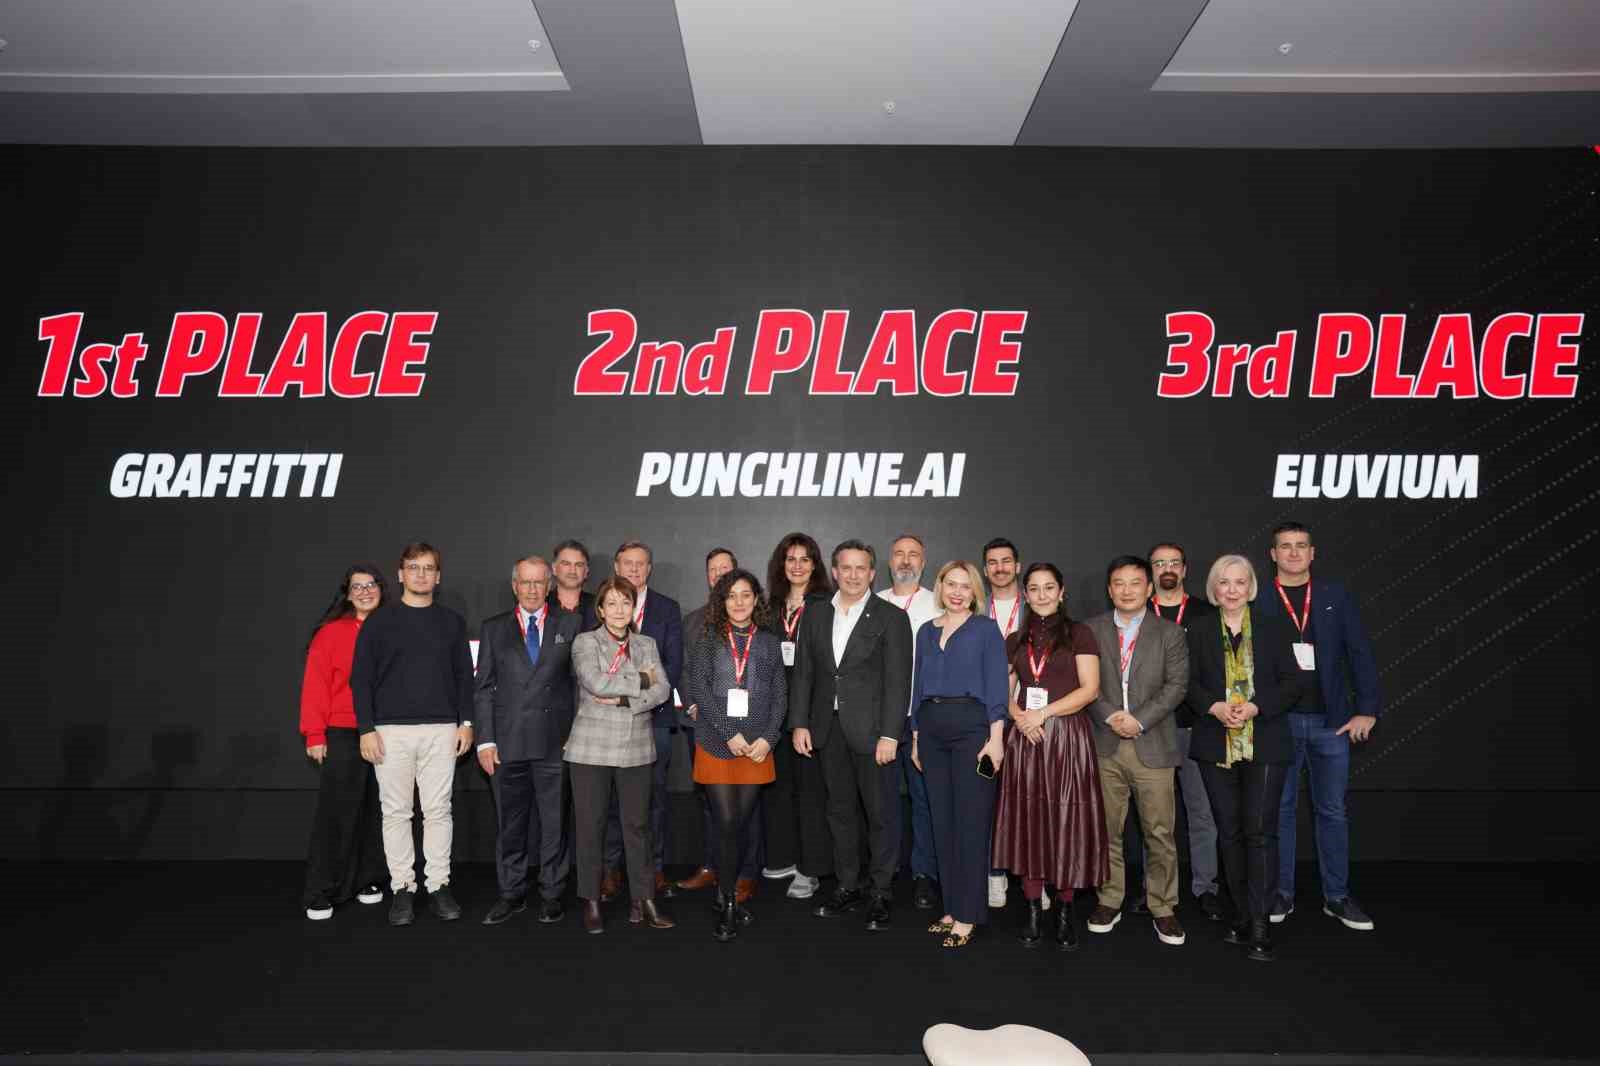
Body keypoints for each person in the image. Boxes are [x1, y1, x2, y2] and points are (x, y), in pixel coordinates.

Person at [1256, 521, 1380, 931]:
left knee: (1332, 810)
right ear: (1273, 555)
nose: (1293, 553)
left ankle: (1337, 897)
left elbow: (1359, 652)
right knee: (1280, 811)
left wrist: (1367, 709)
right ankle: (1282, 893)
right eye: (1285, 546)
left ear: (1312, 553)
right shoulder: (1258, 598)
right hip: (1278, 723)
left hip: (1332, 722)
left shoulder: (1334, 596)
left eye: (1301, 546)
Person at [790, 539, 913, 932]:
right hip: (827, 730)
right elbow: (805, 672)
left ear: (873, 573)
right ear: (834, 571)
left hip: (874, 734)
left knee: (880, 815)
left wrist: (891, 735)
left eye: (861, 568)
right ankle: (847, 885)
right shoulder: (815, 614)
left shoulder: (892, 617)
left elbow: (898, 682)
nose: (854, 575)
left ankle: (881, 892)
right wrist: (800, 722)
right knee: (839, 812)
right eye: (846, 567)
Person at [1187, 554, 1303, 961]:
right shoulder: (1198, 629)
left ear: (1250, 587)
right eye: (1224, 582)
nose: (1232, 590)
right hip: (1214, 741)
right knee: (1229, 832)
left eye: (1239, 582)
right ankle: (1239, 914)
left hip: (1265, 740)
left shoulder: (1274, 626)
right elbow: (1186, 683)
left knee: (1260, 832)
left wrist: (1255, 706)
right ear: (1214, 588)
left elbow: (1294, 682)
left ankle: (1259, 920)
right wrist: (1215, 707)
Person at [352, 542, 474, 926]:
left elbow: (464, 678)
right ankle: (403, 888)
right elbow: (361, 680)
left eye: (428, 568)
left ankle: (438, 885)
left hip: (442, 729)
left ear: (438, 577)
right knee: (396, 813)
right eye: (414, 567)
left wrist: (466, 723)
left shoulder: (452, 623)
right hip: (390, 732)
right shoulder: (378, 622)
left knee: (438, 811)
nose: (421, 574)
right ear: (401, 574)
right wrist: (366, 729)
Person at [991, 562, 1106, 950]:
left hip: (1066, 738)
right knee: (1030, 822)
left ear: (1062, 591)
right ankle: (1032, 910)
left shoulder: (1079, 633)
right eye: (1035, 588)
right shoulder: (1014, 639)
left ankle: (1064, 910)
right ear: (1026, 594)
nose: (1042, 595)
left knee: (1066, 822)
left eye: (1049, 587)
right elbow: (1002, 690)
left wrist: (1042, 714)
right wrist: (1020, 717)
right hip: (1026, 739)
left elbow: (1090, 689)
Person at [1083, 555, 1190, 947]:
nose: (1126, 590)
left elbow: (1177, 686)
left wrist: (1138, 720)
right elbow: (1084, 683)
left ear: (1148, 588)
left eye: (1135, 583)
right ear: (1109, 589)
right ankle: (1109, 899)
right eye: (1119, 583)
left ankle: (1163, 906)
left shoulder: (1169, 633)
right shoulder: (1090, 630)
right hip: (1105, 743)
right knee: (1106, 830)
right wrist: (1111, 716)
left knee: (1160, 833)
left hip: (1153, 743)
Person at [474, 555, 585, 926]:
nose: (533, 589)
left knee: (555, 824)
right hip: (506, 745)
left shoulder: (571, 624)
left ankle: (552, 893)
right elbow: (483, 688)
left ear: (549, 586)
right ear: (514, 586)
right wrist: (485, 741)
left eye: (539, 582)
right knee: (510, 824)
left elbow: (579, 685)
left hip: (556, 743)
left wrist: (575, 736)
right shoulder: (493, 628)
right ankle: (512, 892)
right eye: (526, 582)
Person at [683, 568, 788, 941]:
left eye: (746, 595)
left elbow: (780, 695)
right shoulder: (708, 638)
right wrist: (730, 735)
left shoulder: (770, 642)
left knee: (740, 825)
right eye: (731, 596)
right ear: (721, 601)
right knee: (726, 822)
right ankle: (728, 899)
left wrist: (770, 738)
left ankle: (726, 893)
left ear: (756, 599)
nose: (739, 602)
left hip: (757, 749)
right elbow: (700, 690)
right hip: (717, 744)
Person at [566, 576, 676, 933]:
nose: (618, 610)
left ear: (634, 607)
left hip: (636, 746)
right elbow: (595, 683)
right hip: (591, 748)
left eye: (625, 603)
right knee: (591, 826)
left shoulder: (646, 643)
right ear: (600, 609)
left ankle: (644, 900)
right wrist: (641, 680)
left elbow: (663, 689)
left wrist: (626, 698)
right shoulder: (585, 642)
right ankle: (591, 900)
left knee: (638, 827)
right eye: (611, 603)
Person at [908, 561, 1008, 948]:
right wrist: (917, 737)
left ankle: (968, 914)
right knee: (942, 822)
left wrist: (996, 739)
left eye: (965, 586)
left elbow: (997, 685)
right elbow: (917, 687)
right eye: (951, 584)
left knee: (970, 822)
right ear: (940, 586)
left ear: (974, 592)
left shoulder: (985, 629)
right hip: (931, 731)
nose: (957, 592)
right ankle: (951, 908)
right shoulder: (925, 631)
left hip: (973, 730)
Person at [299, 563, 389, 920]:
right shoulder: (330, 634)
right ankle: (321, 889)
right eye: (357, 587)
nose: (365, 592)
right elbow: (315, 685)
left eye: (371, 585)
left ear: (382, 589)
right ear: (348, 594)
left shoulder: (393, 627)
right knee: (337, 813)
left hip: (387, 732)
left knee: (377, 810)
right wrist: (315, 733)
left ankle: (369, 879)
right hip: (342, 732)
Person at [678, 548, 765, 904]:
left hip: (752, 734)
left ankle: (745, 874)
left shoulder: (761, 631)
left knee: (746, 811)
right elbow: (684, 670)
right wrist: (695, 705)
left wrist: (763, 732)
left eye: (724, 569)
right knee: (712, 806)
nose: (718, 575)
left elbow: (772, 685)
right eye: (712, 570)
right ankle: (714, 866)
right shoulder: (694, 622)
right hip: (707, 727)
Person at [603, 541, 684, 903]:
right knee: (610, 799)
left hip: (655, 719)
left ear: (649, 568)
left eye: (641, 564)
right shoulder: (601, 606)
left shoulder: (667, 608)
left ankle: (654, 867)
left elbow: (671, 666)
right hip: (608, 721)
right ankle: (611, 869)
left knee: (653, 799)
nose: (634, 570)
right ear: (616, 567)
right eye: (627, 563)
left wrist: (632, 697)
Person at [1146, 541, 1223, 922]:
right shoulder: (1139, 612)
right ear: (1151, 571)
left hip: (1196, 727)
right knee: (1151, 819)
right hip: (1150, 730)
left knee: (1202, 813)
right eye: (1160, 563)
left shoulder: (1206, 614)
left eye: (1174, 562)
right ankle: (1154, 890)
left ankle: (1206, 887)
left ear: (1185, 569)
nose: (1167, 569)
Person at [760, 532, 835, 901]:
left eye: (805, 559)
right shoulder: (769, 606)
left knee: (811, 793)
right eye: (791, 558)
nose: (798, 565)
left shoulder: (827, 605)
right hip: (774, 711)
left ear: (815, 565)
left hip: (811, 712)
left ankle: (811, 868)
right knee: (780, 789)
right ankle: (786, 856)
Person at [877, 533, 942, 910]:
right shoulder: (875, 602)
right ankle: (883, 875)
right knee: (882, 802)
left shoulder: (938, 603)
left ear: (924, 561)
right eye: (899, 554)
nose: (905, 560)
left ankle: (924, 874)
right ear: (889, 562)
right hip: (881, 720)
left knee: (924, 800)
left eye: (913, 554)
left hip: (922, 718)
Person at [981, 536, 1023, 909]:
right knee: (988, 801)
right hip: (983, 719)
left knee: (1027, 801)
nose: (1000, 568)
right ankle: (994, 874)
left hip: (1027, 719)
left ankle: (1032, 877)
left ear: (1017, 566)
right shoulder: (975, 607)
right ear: (985, 569)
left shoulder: (1036, 607)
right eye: (993, 562)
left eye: (1006, 561)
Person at [550, 539, 596, 624]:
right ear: (554, 568)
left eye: (579, 565)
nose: (572, 571)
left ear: (586, 571)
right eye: (566, 564)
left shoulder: (598, 606)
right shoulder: (541, 604)